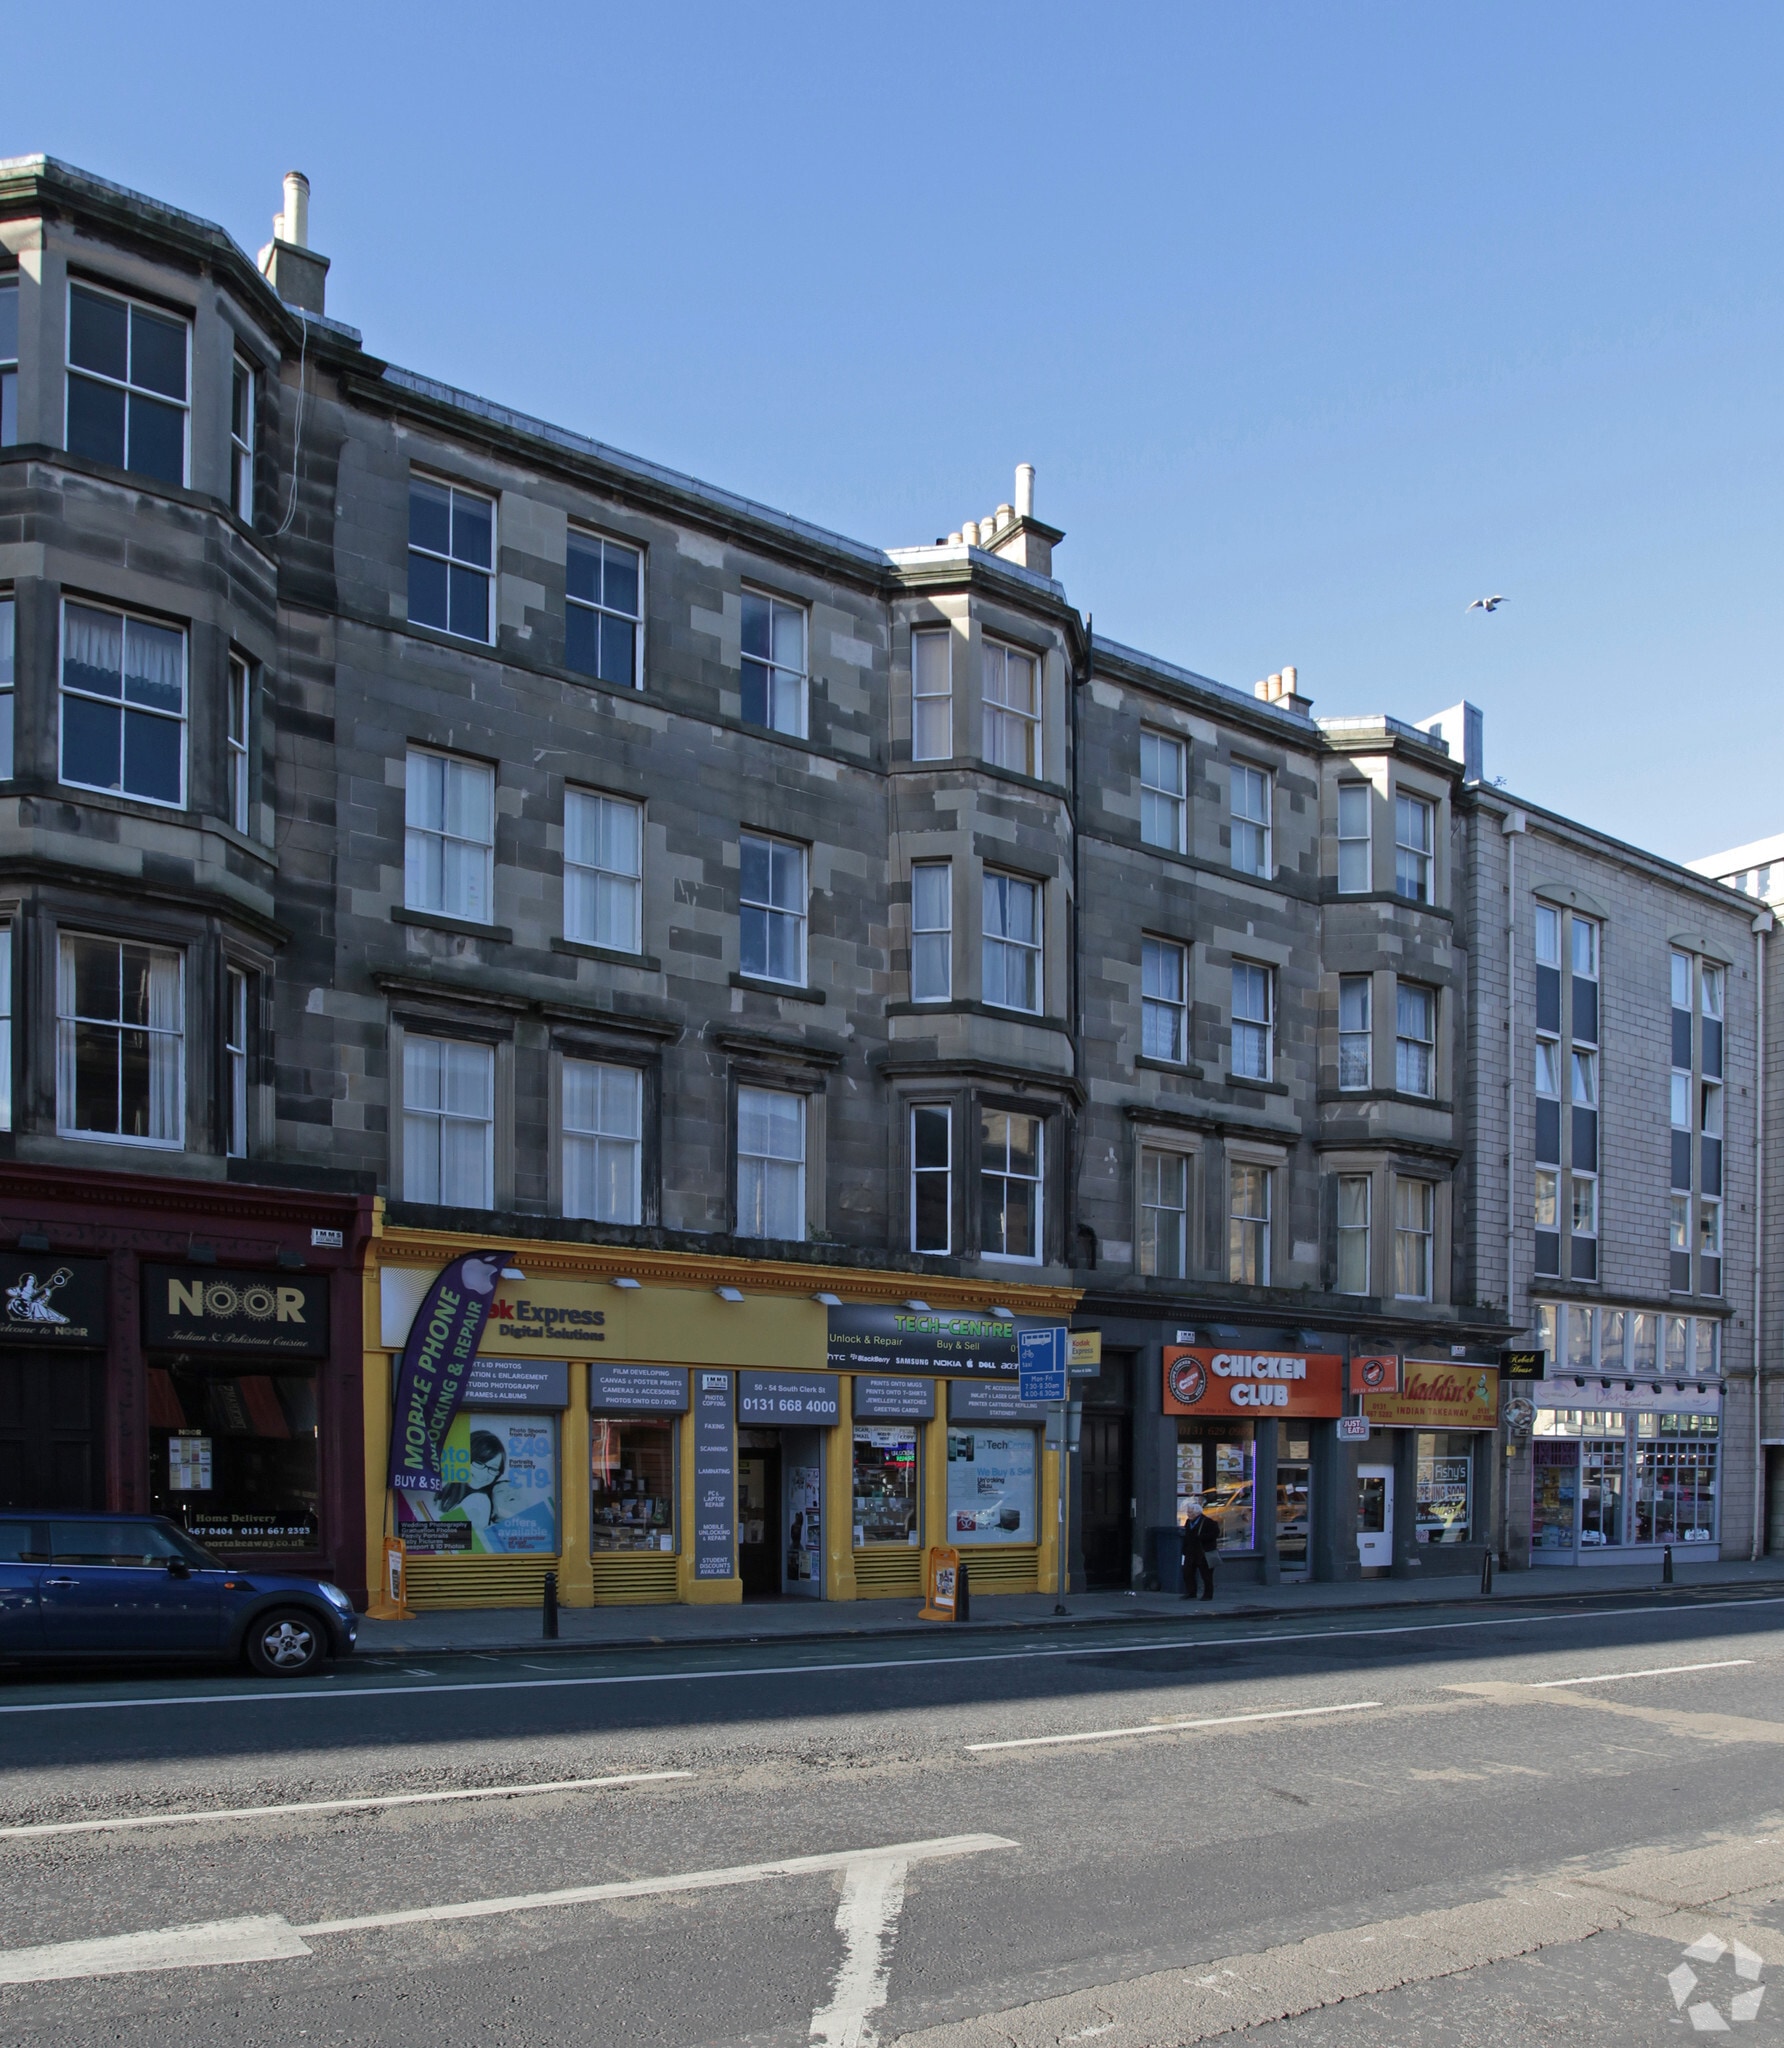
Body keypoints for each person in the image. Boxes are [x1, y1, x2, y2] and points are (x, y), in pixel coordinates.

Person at [1180, 1497, 1218, 1601]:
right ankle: (1191, 1592)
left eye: (1191, 1513)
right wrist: (1184, 1549)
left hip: (1203, 1552)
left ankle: (1208, 1594)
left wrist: (1202, 1537)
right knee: (1187, 1573)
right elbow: (1187, 1536)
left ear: (1197, 1513)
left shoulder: (1207, 1522)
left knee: (1206, 1575)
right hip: (1190, 1552)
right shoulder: (1188, 1522)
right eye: (1188, 1512)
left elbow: (1215, 1533)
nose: (1188, 1514)